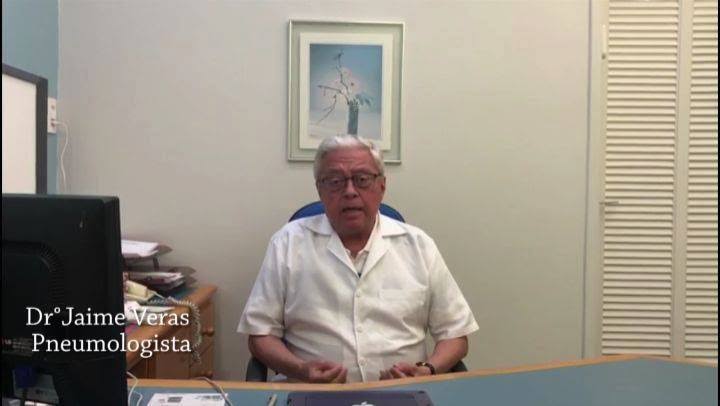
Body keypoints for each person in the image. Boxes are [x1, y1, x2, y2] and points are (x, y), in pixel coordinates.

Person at [237, 135, 478, 383]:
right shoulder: (287, 243)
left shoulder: (418, 245)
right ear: (320, 189)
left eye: (362, 179)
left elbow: (455, 334)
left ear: (381, 186)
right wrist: (300, 369)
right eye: (335, 181)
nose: (350, 191)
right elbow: (260, 334)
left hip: (405, 392)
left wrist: (428, 369)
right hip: (310, 391)